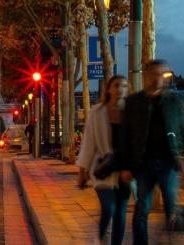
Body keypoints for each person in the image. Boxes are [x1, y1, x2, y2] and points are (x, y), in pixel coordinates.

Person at [121, 60, 184, 245]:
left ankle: (173, 239)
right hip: (143, 163)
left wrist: (183, 162)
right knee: (142, 207)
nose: (158, 78)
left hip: (168, 162)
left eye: (162, 74)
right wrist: (126, 166)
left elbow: (181, 130)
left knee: (172, 206)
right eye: (154, 74)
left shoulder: (174, 100)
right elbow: (126, 136)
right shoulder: (133, 102)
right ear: (145, 75)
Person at [76, 75, 132, 245]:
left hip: (125, 169)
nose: (119, 89)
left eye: (123, 86)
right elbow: (89, 141)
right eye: (116, 85)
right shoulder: (97, 112)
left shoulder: (131, 112)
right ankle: (100, 237)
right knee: (109, 208)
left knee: (121, 213)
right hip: (103, 168)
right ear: (108, 89)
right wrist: (83, 169)